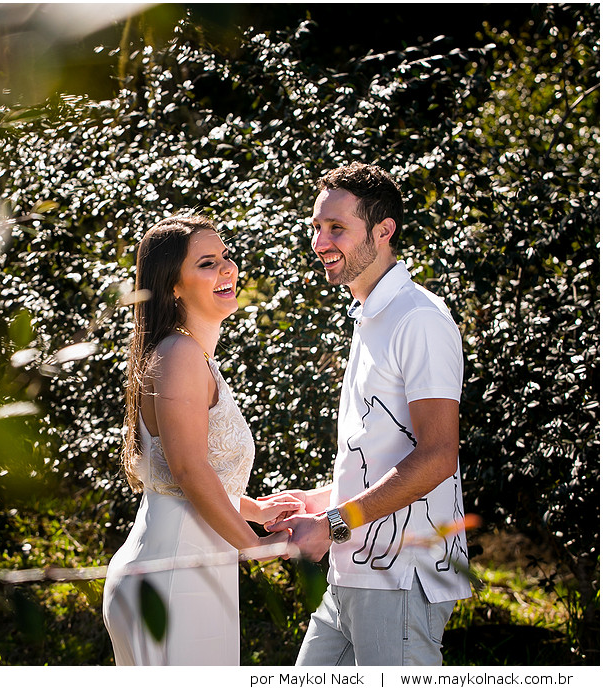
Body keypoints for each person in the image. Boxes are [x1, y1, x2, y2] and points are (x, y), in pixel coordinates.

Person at [264, 162, 471, 666]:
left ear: (383, 231)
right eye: (317, 226)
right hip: (351, 572)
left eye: (337, 228)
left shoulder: (418, 318)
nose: (320, 241)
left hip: (402, 576)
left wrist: (333, 523)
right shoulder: (369, 315)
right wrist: (315, 502)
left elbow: (439, 456)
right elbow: (380, 450)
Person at [102, 214, 300, 666]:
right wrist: (256, 548)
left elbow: (183, 474)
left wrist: (255, 510)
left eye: (226, 257)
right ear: (173, 286)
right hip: (176, 574)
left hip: (183, 565)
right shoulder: (181, 354)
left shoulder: (185, 354)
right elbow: (190, 471)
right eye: (208, 263)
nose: (227, 268)